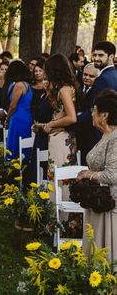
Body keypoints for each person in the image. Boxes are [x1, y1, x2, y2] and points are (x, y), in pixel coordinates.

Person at [78, 90, 117, 266]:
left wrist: (88, 174)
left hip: (109, 206)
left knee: (105, 256)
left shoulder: (115, 138)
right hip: (96, 202)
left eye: (94, 110)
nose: (91, 113)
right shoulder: (105, 136)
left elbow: (113, 174)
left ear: (104, 115)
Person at [43, 54, 78, 197]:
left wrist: (52, 123)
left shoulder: (64, 90)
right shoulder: (68, 87)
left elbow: (72, 117)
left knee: (60, 176)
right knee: (59, 175)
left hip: (61, 139)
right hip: (62, 136)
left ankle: (60, 216)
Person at [4, 60, 33, 160]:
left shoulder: (19, 85)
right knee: (25, 143)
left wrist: (7, 119)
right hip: (28, 117)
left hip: (18, 118)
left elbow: (13, 105)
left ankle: (13, 167)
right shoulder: (28, 85)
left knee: (15, 144)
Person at [71, 63, 100, 165]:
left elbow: (89, 112)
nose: (87, 78)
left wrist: (73, 121)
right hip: (77, 134)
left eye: (91, 76)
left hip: (89, 134)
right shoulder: (77, 87)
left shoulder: (97, 91)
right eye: (85, 74)